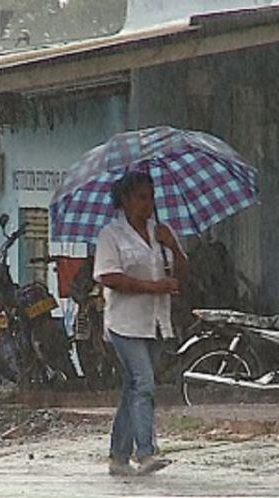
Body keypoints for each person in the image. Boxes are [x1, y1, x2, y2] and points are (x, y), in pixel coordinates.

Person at [94, 171, 188, 477]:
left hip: (156, 321)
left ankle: (118, 456)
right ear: (125, 200)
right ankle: (145, 452)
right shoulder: (112, 235)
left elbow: (182, 274)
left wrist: (172, 246)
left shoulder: (160, 232)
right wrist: (151, 287)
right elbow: (109, 276)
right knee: (145, 383)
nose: (147, 204)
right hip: (125, 323)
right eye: (141, 198)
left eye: (151, 198)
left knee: (132, 387)